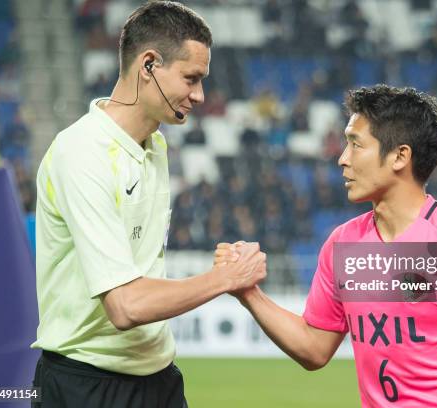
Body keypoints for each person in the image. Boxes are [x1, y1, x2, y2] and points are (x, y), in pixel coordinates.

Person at [216, 85, 437, 407]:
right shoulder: (342, 245)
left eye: (356, 145)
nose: (342, 159)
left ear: (400, 156)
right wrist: (248, 292)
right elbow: (314, 348)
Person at [31, 2, 266, 407]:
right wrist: (223, 278)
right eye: (191, 79)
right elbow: (125, 306)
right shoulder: (82, 152)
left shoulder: (154, 144)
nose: (199, 95)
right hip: (85, 383)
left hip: (158, 377)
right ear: (149, 65)